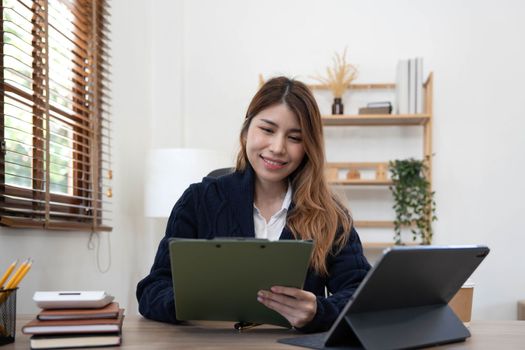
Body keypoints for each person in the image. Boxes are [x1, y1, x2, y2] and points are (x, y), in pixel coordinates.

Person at [136, 76, 371, 333]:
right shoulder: (197, 201)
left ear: (308, 147)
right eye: (268, 130)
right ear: (246, 131)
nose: (278, 147)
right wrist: (190, 303)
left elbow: (362, 295)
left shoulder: (330, 215)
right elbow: (152, 289)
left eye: (294, 138)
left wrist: (319, 311)